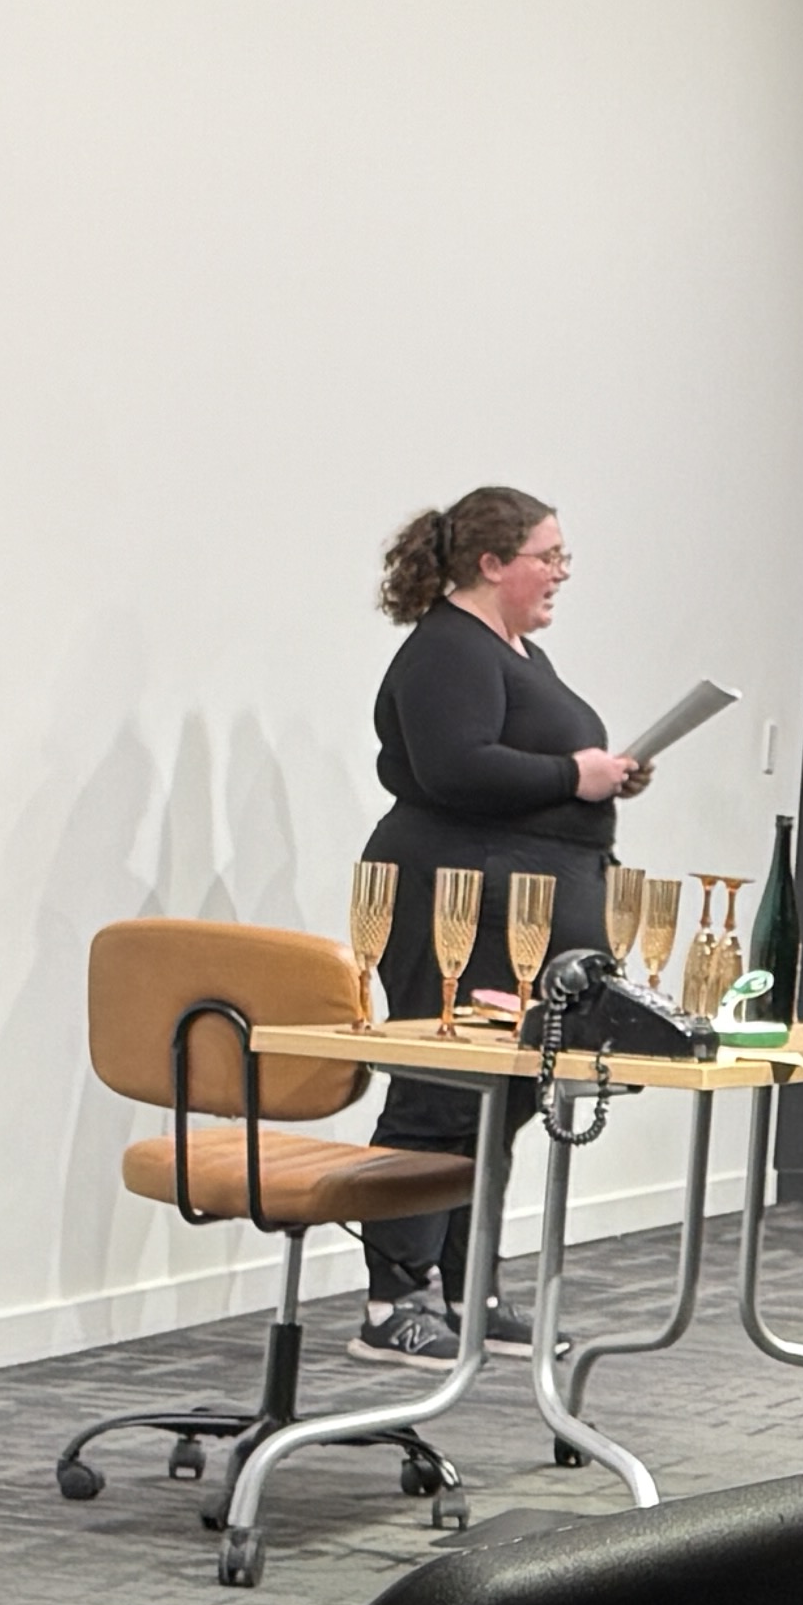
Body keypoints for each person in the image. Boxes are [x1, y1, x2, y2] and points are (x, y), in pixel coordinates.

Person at [350, 487, 651, 1363]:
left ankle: (465, 1287)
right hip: (457, 900)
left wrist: (597, 779)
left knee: (505, 1094)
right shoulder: (448, 649)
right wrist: (572, 774)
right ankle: (392, 1299)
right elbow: (456, 767)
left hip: (519, 902)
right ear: (491, 564)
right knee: (441, 1088)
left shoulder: (517, 652)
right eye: (547, 557)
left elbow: (521, 765)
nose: (561, 574)